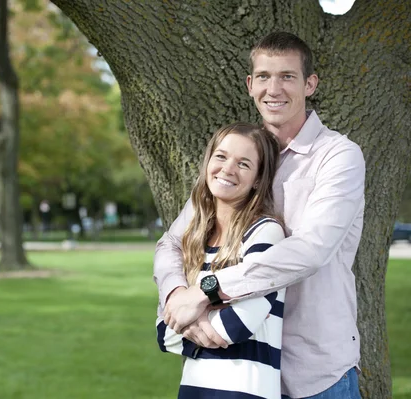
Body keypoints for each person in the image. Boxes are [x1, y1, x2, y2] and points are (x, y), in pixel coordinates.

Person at [154, 32, 365, 399]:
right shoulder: (235, 160)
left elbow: (312, 249)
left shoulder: (338, 156)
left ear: (309, 84)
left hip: (314, 371)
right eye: (264, 76)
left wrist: (207, 291)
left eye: (287, 76)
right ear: (251, 85)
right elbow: (173, 240)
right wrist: (176, 296)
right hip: (238, 364)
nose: (274, 88)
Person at [156, 122, 285, 398]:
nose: (228, 169)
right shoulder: (195, 239)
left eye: (244, 164)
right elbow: (164, 333)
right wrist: (212, 306)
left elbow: (235, 326)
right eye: (221, 156)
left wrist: (193, 308)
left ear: (259, 180)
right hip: (195, 389)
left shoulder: (266, 233)